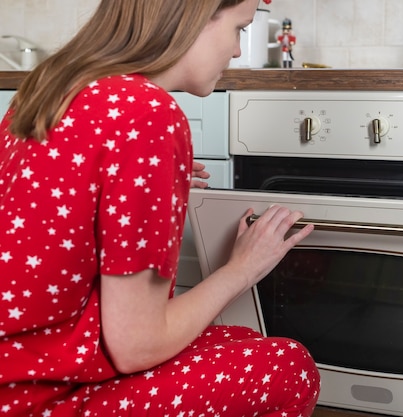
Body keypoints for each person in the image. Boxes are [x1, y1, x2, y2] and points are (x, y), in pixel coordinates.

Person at [0, 0, 320, 416]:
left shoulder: (51, 87)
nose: (237, 52)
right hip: (37, 397)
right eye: (239, 29)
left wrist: (145, 187)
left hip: (19, 367)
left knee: (238, 339)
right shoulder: (146, 112)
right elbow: (139, 347)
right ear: (195, 19)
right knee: (287, 367)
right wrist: (241, 269)